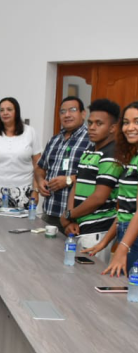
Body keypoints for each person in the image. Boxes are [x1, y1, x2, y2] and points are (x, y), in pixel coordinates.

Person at [60, 99, 122, 264]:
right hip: (80, 227)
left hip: (97, 231)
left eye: (99, 123)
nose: (92, 127)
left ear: (112, 128)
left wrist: (68, 215)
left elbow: (99, 198)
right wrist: (71, 219)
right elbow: (77, 185)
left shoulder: (112, 155)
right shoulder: (90, 150)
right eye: (90, 123)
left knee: (87, 282)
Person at [85, 101, 138, 276]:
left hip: (133, 240)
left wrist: (122, 249)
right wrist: (105, 242)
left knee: (129, 296)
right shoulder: (131, 158)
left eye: (136, 121)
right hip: (127, 235)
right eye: (126, 122)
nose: (130, 127)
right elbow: (126, 210)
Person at [35, 96, 91, 232]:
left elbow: (95, 176)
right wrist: (40, 180)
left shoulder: (91, 139)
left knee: (71, 253)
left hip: (76, 218)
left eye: (72, 110)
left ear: (83, 114)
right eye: (62, 111)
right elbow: (39, 168)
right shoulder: (54, 140)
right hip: (50, 213)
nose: (67, 115)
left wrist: (68, 180)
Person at [0, 97, 41, 209]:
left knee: (22, 226)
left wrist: (36, 190)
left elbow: (38, 164)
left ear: (16, 112)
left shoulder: (30, 132)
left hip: (24, 191)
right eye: (1, 110)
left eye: (9, 109)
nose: (5, 113)